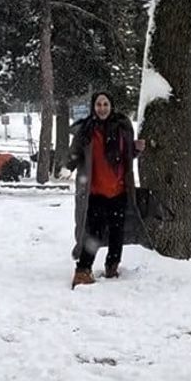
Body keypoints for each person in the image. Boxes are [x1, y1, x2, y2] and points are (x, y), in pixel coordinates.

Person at [63, 92, 145, 288]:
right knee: (94, 233)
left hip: (119, 189)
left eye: (105, 104)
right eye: (98, 104)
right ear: (93, 107)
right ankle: (83, 270)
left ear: (111, 106)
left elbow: (125, 155)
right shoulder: (86, 130)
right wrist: (67, 166)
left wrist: (136, 149)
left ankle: (112, 266)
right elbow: (74, 153)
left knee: (117, 232)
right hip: (95, 192)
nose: (102, 108)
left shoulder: (122, 128)